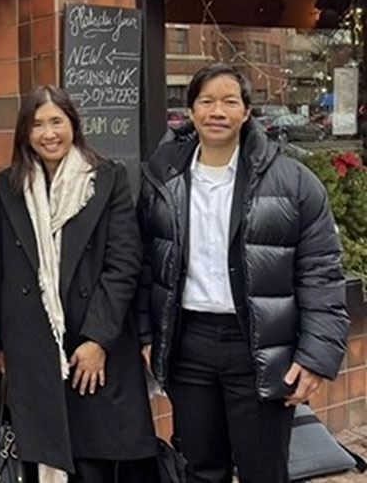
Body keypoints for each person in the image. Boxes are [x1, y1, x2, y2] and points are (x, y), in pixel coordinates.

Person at [138, 63, 349, 483]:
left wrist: (315, 357)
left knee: (263, 470)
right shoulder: (163, 179)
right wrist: (146, 335)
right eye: (206, 101)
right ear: (191, 111)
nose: (217, 111)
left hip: (259, 346)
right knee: (200, 468)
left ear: (247, 111)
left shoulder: (293, 181)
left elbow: (321, 272)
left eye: (229, 102)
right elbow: (145, 262)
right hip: (188, 343)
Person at [0, 86, 156, 483]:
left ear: (73, 125)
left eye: (57, 122)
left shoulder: (107, 179)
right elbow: (0, 270)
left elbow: (123, 265)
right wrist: (1, 344)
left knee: (94, 461)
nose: (48, 133)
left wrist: (98, 339)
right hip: (33, 346)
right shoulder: (8, 187)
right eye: (37, 124)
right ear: (25, 132)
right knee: (42, 453)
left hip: (90, 345)